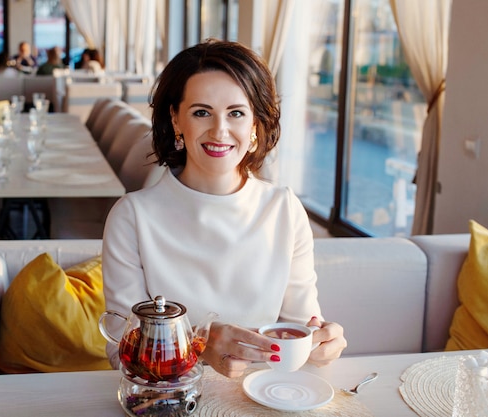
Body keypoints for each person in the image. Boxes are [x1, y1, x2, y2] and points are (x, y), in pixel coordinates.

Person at [101, 39, 347, 378]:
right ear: (176, 120)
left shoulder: (285, 211)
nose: (220, 130)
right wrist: (198, 344)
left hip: (266, 396)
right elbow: (120, 348)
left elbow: (298, 327)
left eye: (236, 113)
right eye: (202, 112)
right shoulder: (132, 217)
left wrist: (321, 345)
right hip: (169, 398)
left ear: (256, 127)